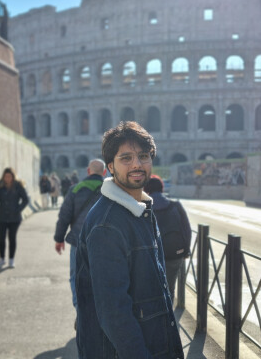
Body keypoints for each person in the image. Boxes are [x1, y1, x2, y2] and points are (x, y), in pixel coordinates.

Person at [76, 121, 184, 359]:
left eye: (143, 156)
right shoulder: (107, 224)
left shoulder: (139, 210)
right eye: (126, 158)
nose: (137, 164)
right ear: (111, 167)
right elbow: (114, 313)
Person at [54, 159, 106, 311]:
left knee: (76, 276)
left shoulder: (75, 189)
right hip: (104, 242)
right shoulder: (111, 190)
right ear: (104, 172)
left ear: (88, 171)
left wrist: (59, 239)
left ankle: (81, 311)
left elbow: (64, 216)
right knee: (101, 277)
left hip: (78, 240)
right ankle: (99, 313)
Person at [144, 175, 192, 302]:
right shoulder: (176, 206)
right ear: (162, 188)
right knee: (169, 288)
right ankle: (168, 318)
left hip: (150, 255)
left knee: (150, 288)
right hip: (174, 253)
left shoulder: (142, 208)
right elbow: (186, 230)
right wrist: (186, 251)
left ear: (146, 189)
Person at [0, 168, 28, 269]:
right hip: (1, 217)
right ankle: (1, 259)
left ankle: (11, 259)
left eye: (9, 176)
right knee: (1, 239)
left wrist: (18, 209)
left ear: (12, 177)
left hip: (14, 218)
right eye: (5, 176)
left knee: (12, 239)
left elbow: (26, 199)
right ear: (3, 176)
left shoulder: (18, 186)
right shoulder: (1, 185)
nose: (7, 178)